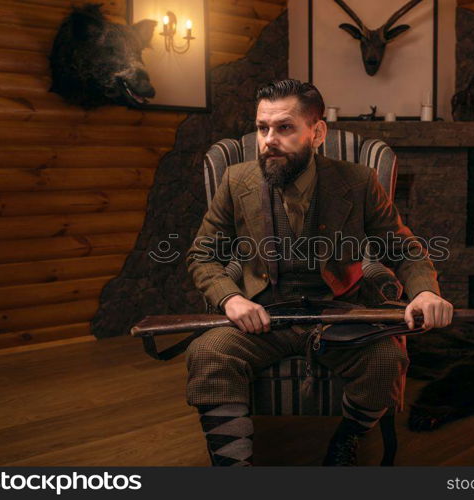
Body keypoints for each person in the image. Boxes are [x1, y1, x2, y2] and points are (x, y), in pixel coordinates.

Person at [186, 79, 453, 466]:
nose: (268, 141)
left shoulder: (358, 182)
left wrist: (425, 292)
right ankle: (231, 466)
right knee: (208, 353)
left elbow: (404, 249)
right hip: (264, 317)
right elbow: (202, 254)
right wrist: (232, 298)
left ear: (317, 132)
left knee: (385, 361)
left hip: (341, 315)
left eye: (284, 128)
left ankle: (348, 437)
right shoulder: (236, 180)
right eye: (263, 128)